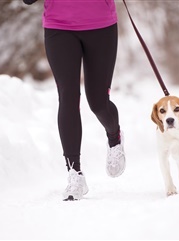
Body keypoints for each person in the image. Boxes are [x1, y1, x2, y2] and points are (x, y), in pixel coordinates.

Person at [23, 0, 126, 201]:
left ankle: (115, 137)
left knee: (98, 102)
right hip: (59, 27)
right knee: (68, 97)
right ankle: (74, 173)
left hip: (101, 25)